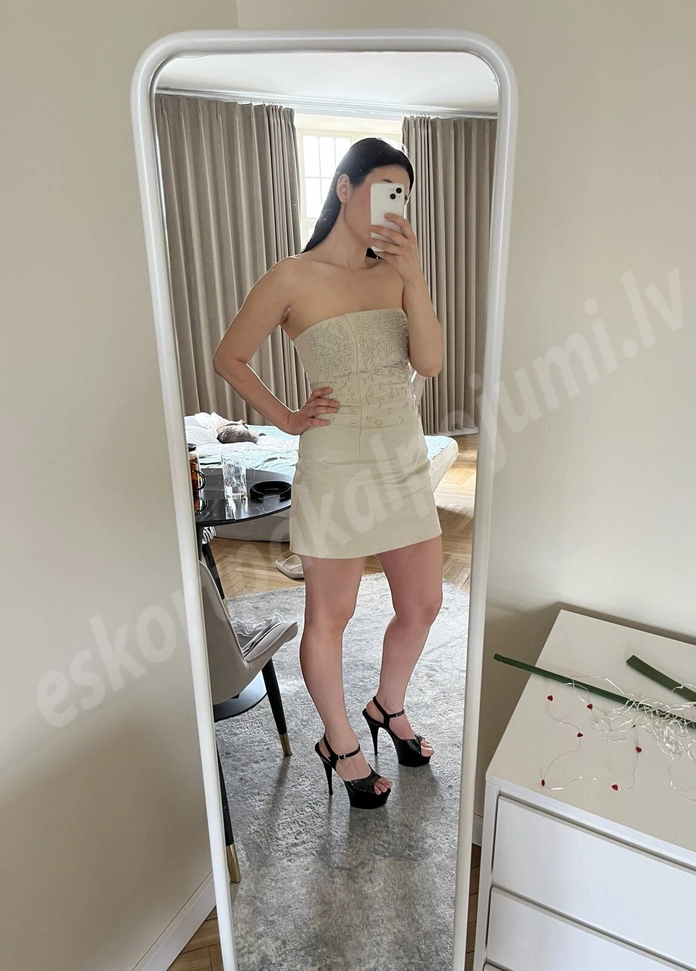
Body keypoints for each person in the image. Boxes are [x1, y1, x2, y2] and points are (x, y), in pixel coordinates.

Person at [213, 137, 444, 809]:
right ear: (344, 187)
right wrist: (286, 419)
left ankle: (388, 706)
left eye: (403, 195)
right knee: (331, 613)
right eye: (383, 189)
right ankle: (339, 741)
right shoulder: (292, 277)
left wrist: (416, 277)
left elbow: (429, 363)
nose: (394, 205)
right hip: (336, 464)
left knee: (423, 604)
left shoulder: (397, 273)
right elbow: (229, 357)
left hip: (401, 459)